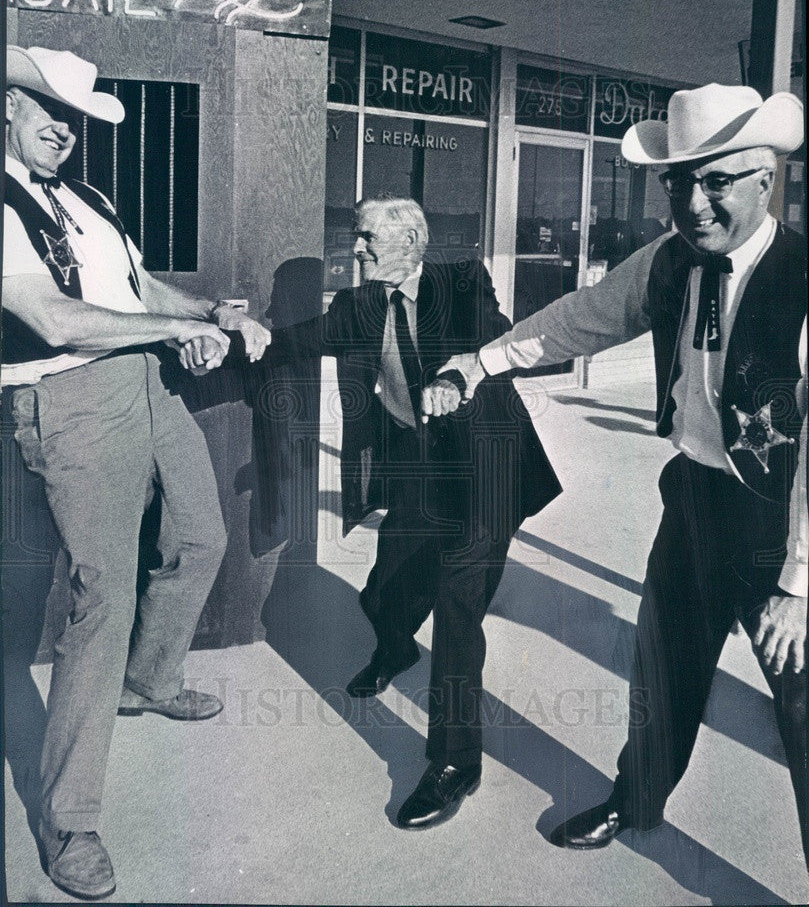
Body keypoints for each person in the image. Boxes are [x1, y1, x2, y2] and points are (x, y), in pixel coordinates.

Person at [424, 84, 808, 864]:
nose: (692, 203)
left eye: (715, 181)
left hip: (785, 523)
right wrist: (483, 360)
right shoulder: (667, 263)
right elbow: (582, 317)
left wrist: (799, 589)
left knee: (801, 712)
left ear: (765, 178)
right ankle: (636, 802)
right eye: (677, 182)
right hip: (696, 502)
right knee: (662, 672)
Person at [2, 45, 271, 900]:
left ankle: (148, 681)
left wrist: (205, 311)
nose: (64, 131)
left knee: (203, 533)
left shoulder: (87, 197)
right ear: (7, 105)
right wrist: (166, 333)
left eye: (74, 119)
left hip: (142, 384)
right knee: (103, 594)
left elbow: (136, 285)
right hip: (69, 399)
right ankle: (69, 820)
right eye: (48, 111)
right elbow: (52, 318)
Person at [269, 196, 561, 828]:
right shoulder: (358, 304)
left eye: (370, 238)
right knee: (382, 591)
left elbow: (489, 330)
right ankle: (395, 649)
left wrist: (457, 378)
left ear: (413, 243)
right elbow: (299, 340)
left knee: (458, 613)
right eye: (357, 237)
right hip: (418, 467)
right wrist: (240, 334)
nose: (358, 249)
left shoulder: (462, 282)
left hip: (483, 468)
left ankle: (456, 763)